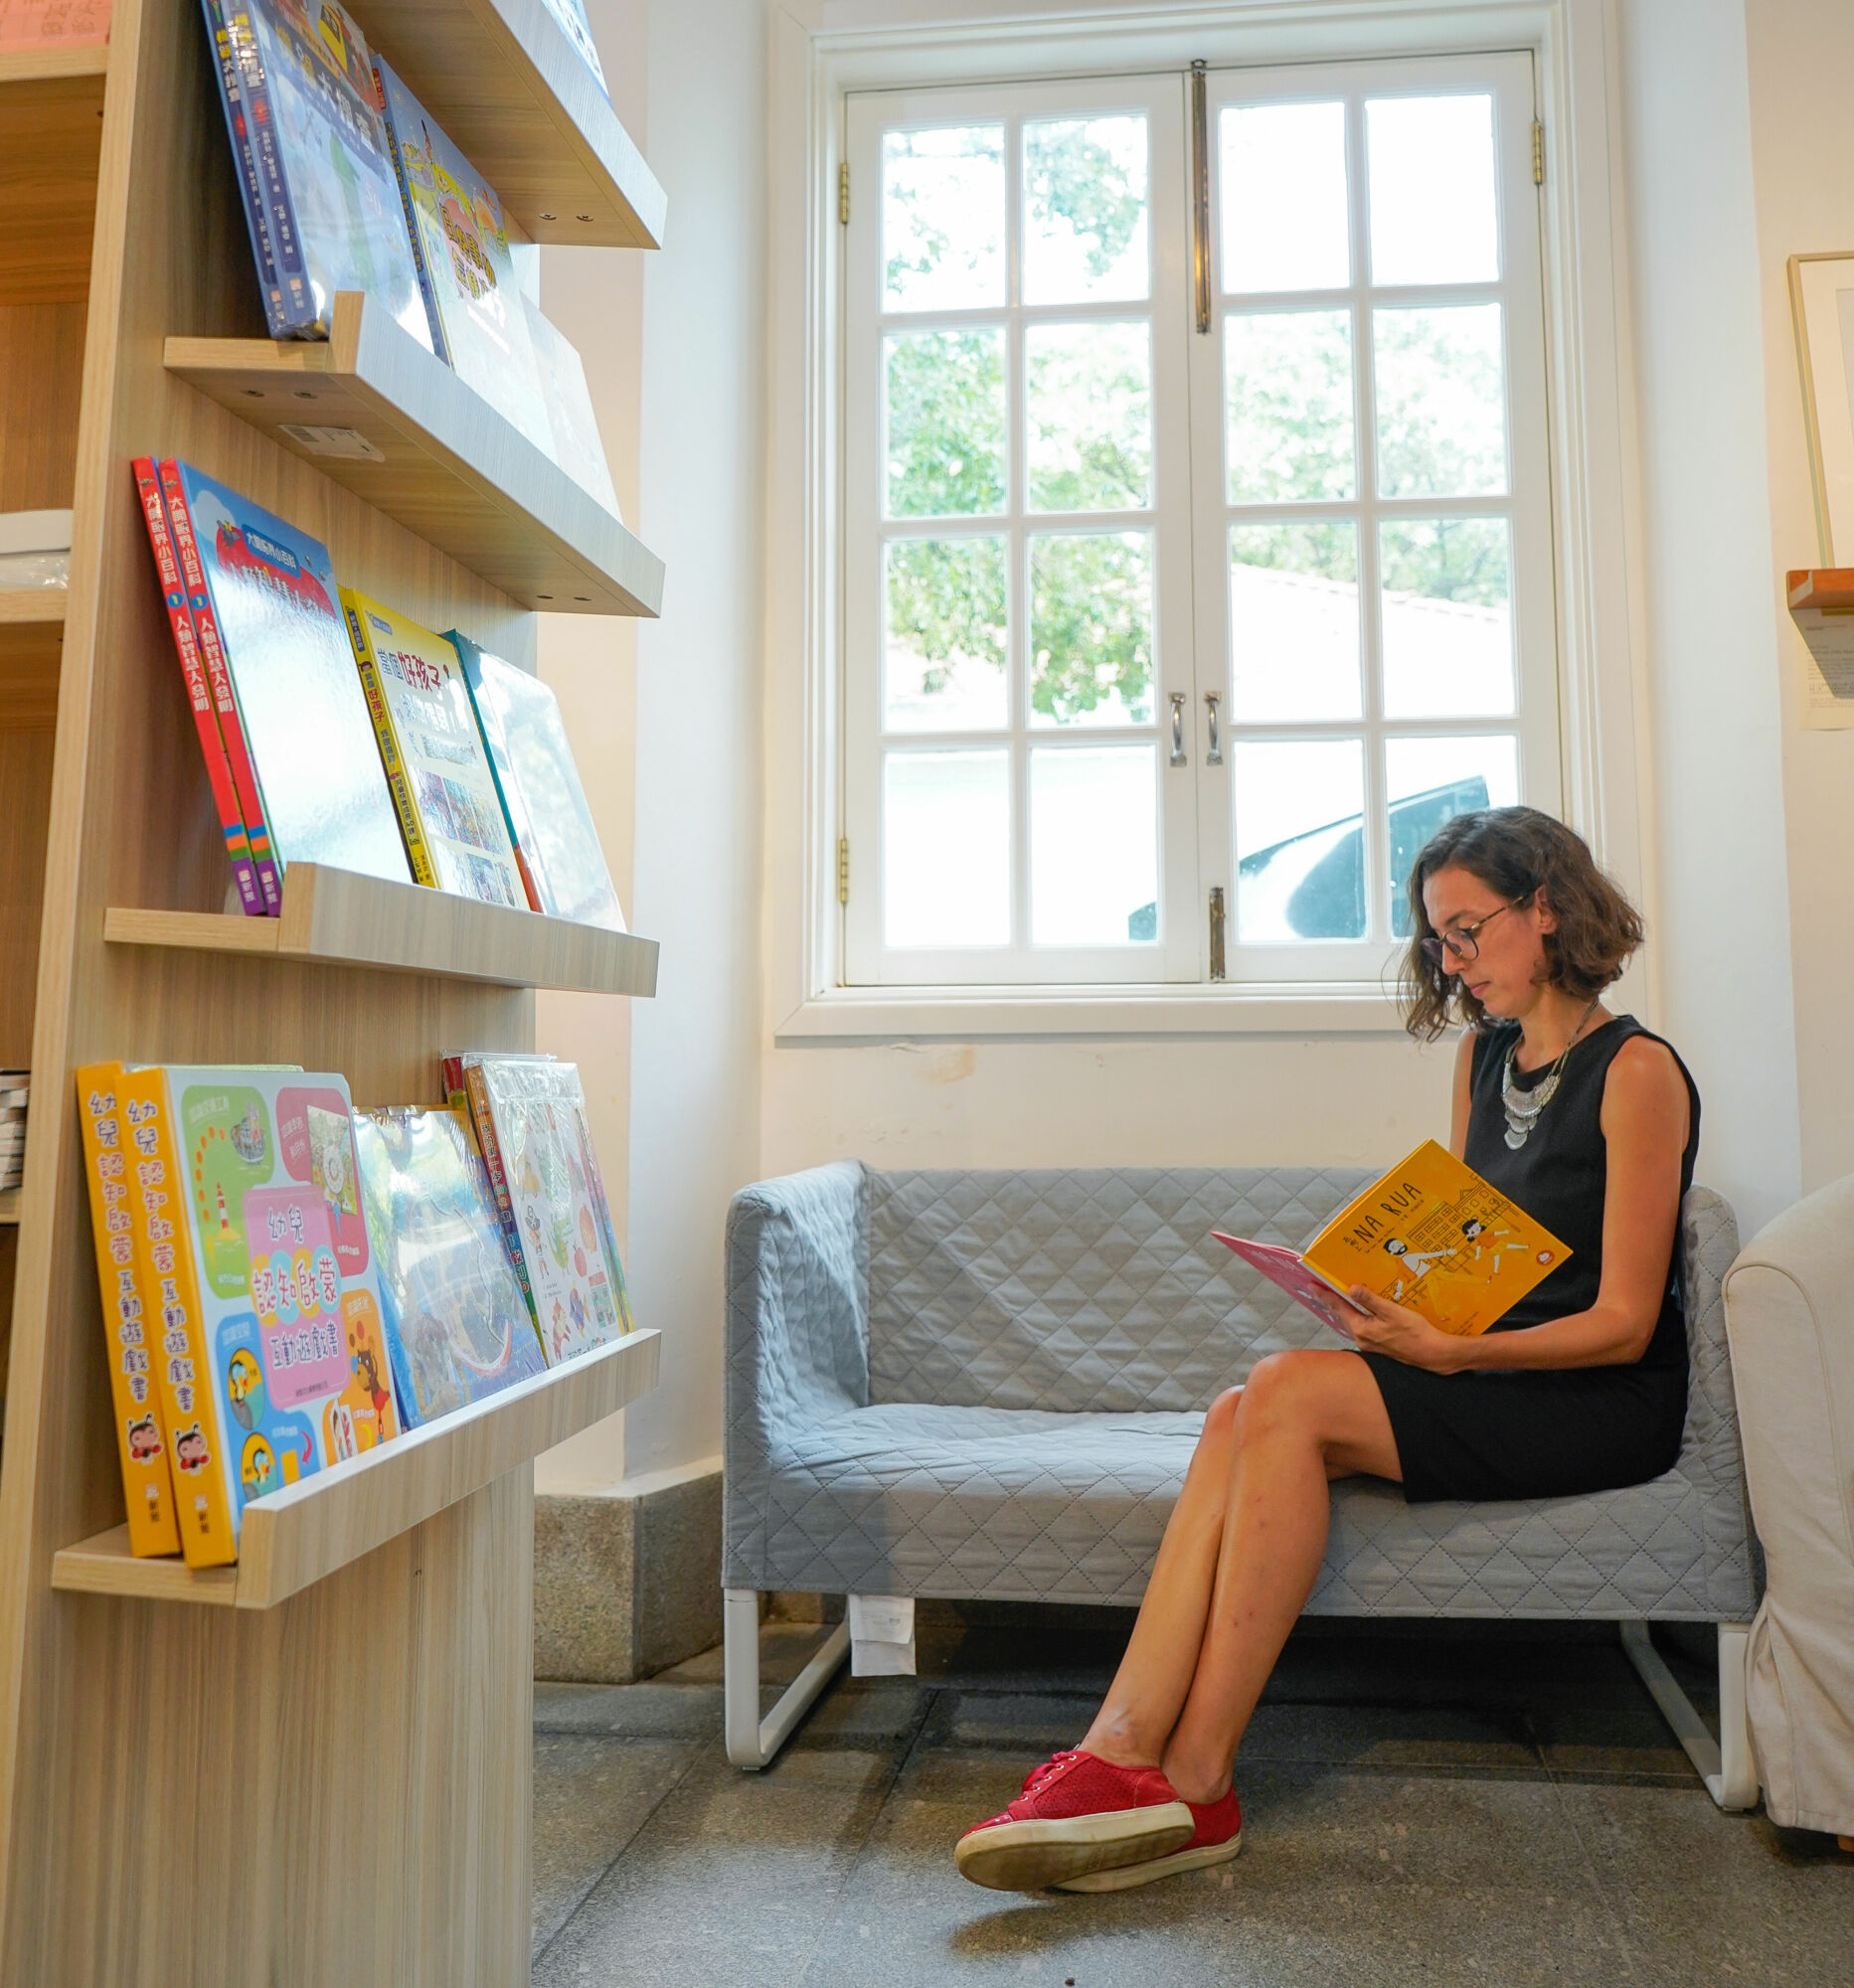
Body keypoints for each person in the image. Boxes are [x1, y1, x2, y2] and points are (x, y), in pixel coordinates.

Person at [952, 806, 1700, 1895]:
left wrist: (1443, 1355)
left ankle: (1195, 1776)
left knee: (1284, 1395)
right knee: (1236, 1411)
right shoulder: (1484, 1061)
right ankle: (1120, 1745)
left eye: (1465, 929)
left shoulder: (1636, 1072)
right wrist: (1394, 1306)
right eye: (1435, 939)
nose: (1451, 960)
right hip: (1488, 1365)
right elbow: (1470, 1254)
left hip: (1597, 1396)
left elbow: (1625, 1320)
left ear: (1544, 908)